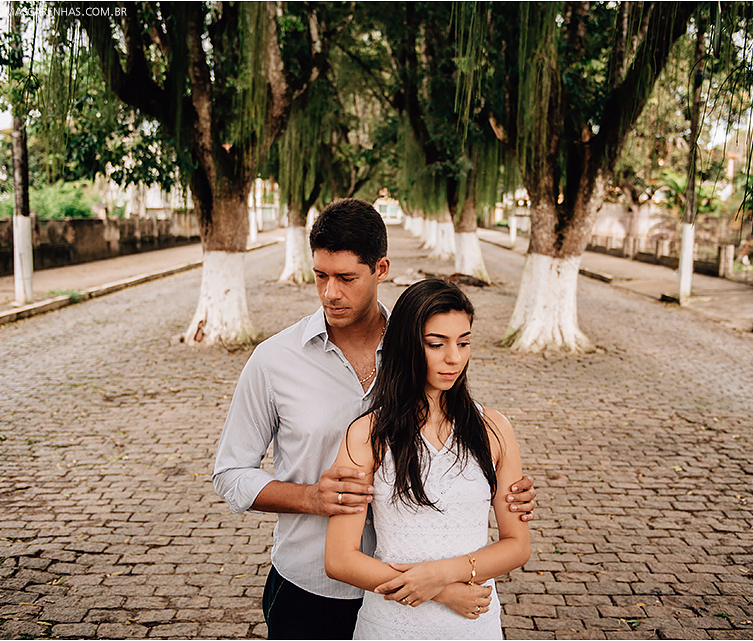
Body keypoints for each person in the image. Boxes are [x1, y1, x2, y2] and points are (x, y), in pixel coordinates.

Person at [213, 199, 536, 639]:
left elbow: (464, 458)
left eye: (346, 278)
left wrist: (493, 486)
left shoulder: (419, 344)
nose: (330, 292)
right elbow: (231, 473)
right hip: (312, 587)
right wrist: (311, 498)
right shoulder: (273, 360)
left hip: (426, 604)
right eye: (320, 276)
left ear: (381, 268)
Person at [324, 279, 529, 639]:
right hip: (391, 625)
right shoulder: (367, 434)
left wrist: (443, 572)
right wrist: (443, 590)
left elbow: (517, 544)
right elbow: (340, 559)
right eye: (436, 344)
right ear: (406, 346)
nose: (454, 358)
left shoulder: (494, 429)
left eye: (463, 342)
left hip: (474, 623)